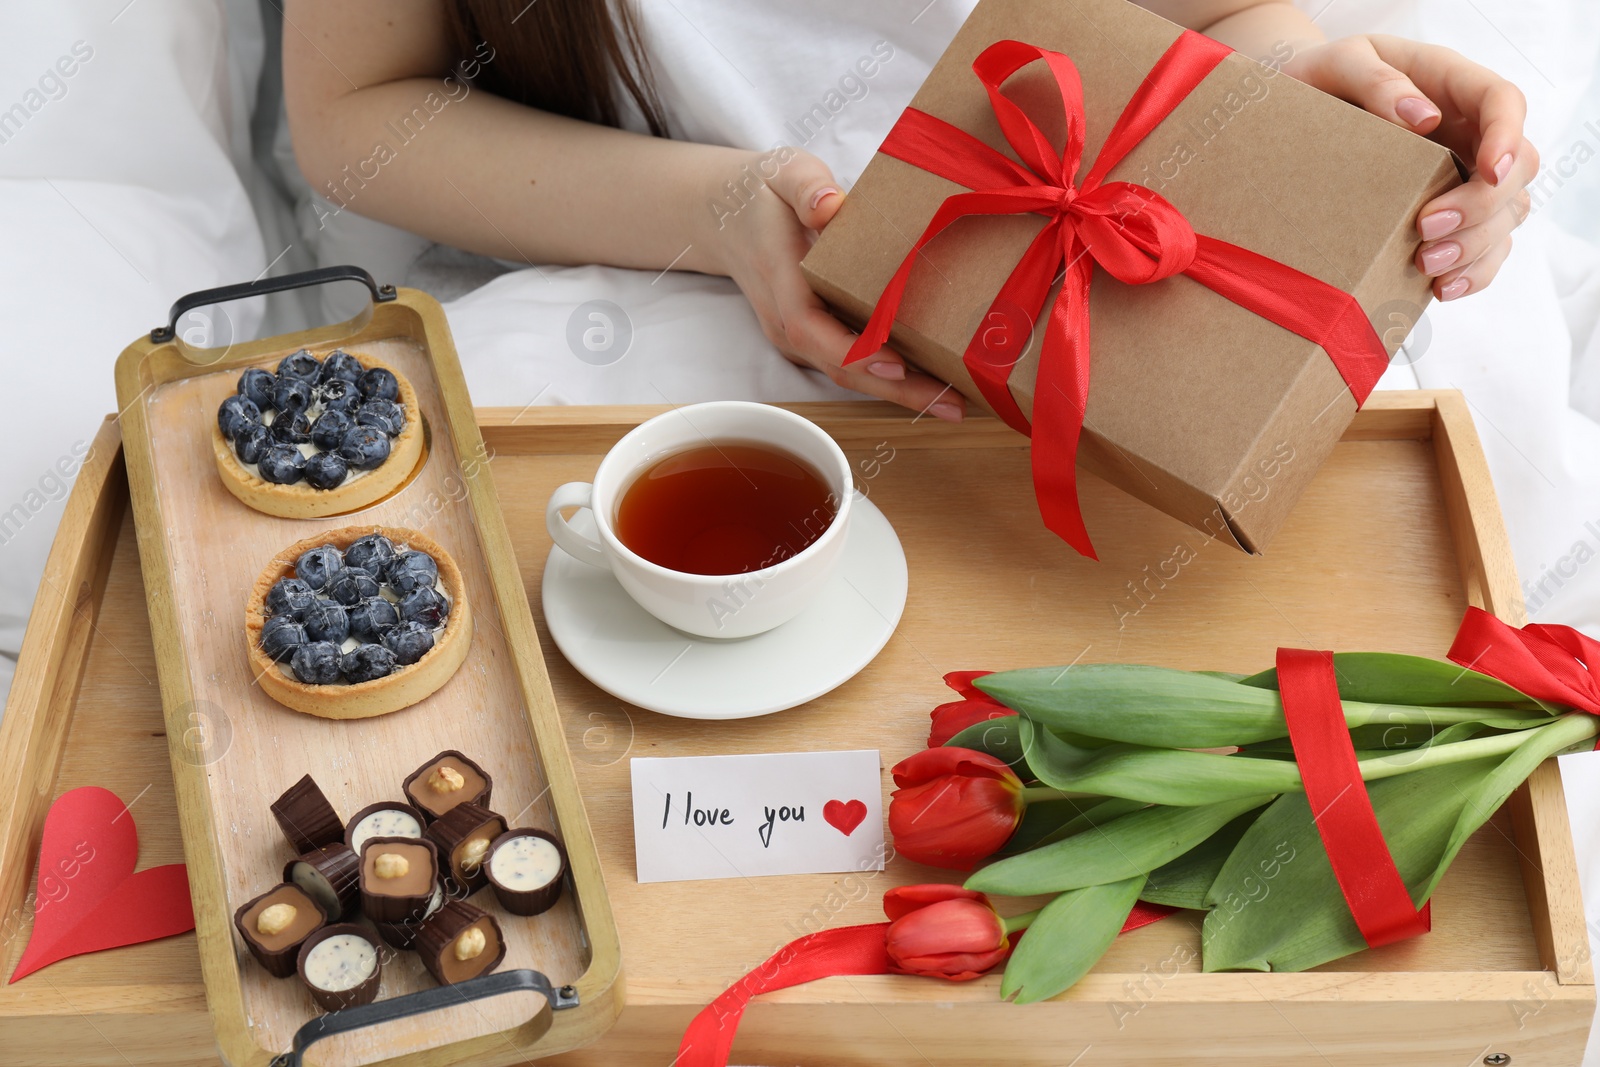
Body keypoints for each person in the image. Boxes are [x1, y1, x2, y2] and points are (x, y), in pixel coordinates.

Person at [283, 0, 1534, 421]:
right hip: (652, 272)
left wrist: (1301, 95)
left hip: (1087, 271)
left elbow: (1218, 25)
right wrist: (719, 210)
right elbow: (353, 113)